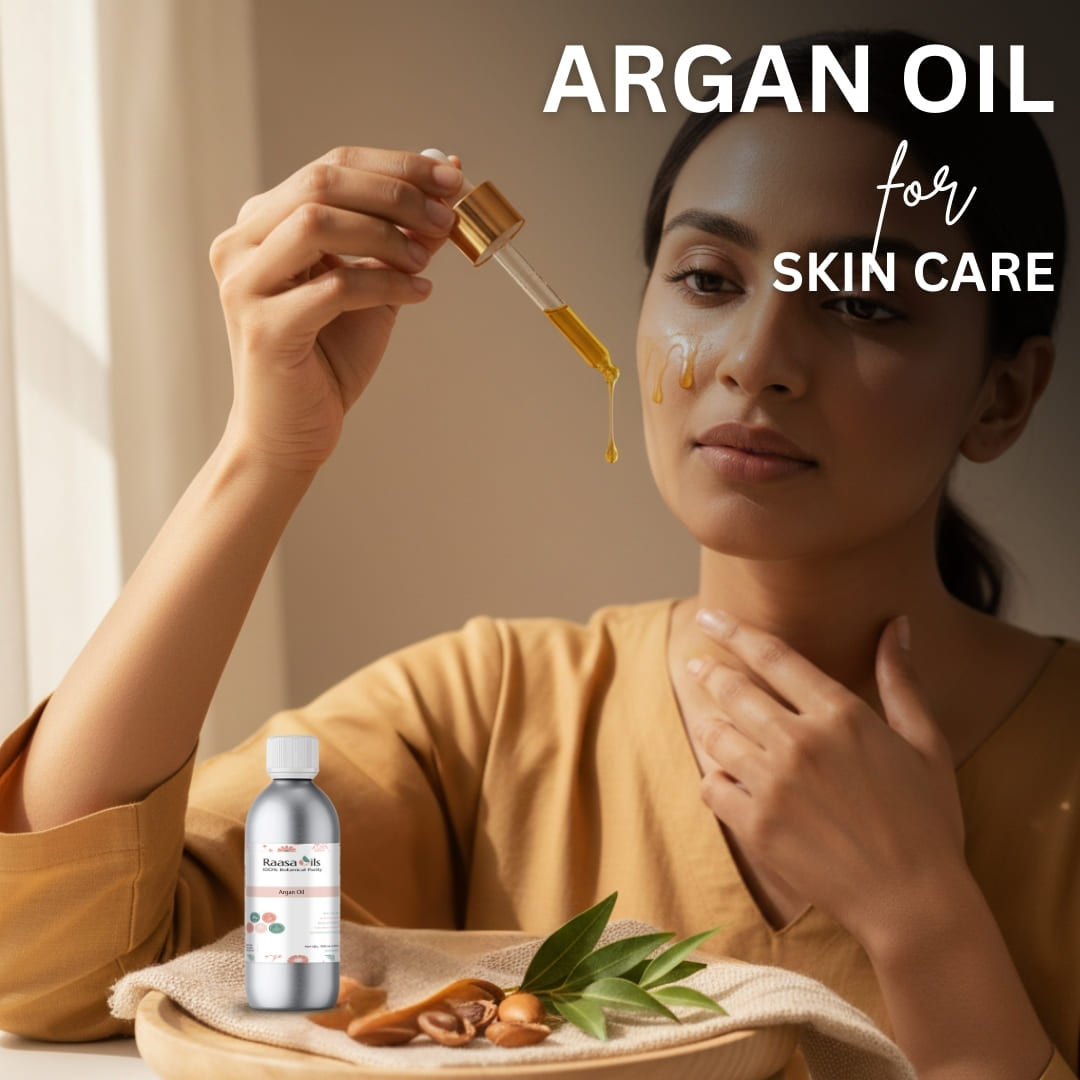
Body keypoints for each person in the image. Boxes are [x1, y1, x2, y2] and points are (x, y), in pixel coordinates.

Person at [0, 28, 1075, 1080]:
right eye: (709, 279)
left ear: (1003, 393)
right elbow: (48, 960)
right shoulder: (486, 718)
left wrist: (923, 917)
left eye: (866, 301)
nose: (755, 360)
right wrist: (262, 451)